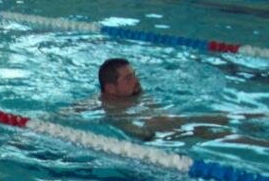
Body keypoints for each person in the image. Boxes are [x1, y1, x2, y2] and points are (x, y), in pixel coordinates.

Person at [98, 58, 268, 145]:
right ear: (110, 88)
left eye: (134, 74)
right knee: (223, 135)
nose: (136, 80)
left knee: (232, 116)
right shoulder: (105, 103)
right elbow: (118, 123)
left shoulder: (133, 92)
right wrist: (144, 133)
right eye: (128, 78)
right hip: (168, 134)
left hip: (179, 120)